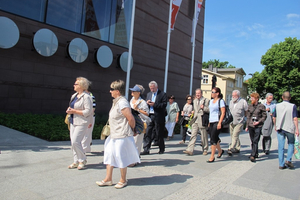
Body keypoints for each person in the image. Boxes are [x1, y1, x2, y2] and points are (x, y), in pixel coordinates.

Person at [96, 80, 140, 189]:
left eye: (111, 89)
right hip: (114, 134)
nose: (110, 91)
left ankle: (123, 179)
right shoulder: (116, 101)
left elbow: (131, 118)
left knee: (121, 156)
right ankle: (108, 179)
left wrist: (132, 130)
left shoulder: (122, 102)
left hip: (122, 135)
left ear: (117, 91)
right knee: (109, 155)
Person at [66, 77, 93, 170]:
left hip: (82, 122)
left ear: (81, 86)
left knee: (75, 141)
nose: (74, 85)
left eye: (76, 84)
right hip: (73, 121)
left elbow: (88, 111)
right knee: (73, 142)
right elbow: (72, 106)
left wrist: (74, 111)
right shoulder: (74, 95)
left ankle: (82, 159)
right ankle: (76, 161)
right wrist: (70, 110)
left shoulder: (87, 97)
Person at [273, 91, 299, 169]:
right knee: (291, 143)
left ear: (282, 97)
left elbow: (274, 117)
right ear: (290, 98)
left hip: (280, 128)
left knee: (281, 146)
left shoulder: (277, 106)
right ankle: (288, 159)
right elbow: (295, 118)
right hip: (289, 128)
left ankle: (281, 164)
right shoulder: (293, 106)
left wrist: (275, 125)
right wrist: (297, 129)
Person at [140, 81, 168, 155]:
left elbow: (164, 105)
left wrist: (155, 104)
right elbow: (146, 104)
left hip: (159, 116)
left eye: (153, 88)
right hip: (150, 116)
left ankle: (161, 148)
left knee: (159, 133)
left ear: (156, 87)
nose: (152, 90)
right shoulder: (149, 94)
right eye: (150, 88)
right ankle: (146, 149)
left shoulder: (162, 94)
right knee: (148, 132)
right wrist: (147, 103)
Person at [183, 89, 209, 156]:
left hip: (202, 119)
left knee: (203, 135)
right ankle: (190, 150)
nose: (197, 95)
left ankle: (205, 149)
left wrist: (204, 108)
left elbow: (209, 110)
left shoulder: (206, 100)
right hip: (195, 120)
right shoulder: (194, 101)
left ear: (201, 94)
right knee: (193, 135)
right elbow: (195, 109)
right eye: (196, 93)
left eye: (199, 93)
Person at [129, 84, 150, 162]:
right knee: (131, 140)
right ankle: (132, 157)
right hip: (132, 122)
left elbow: (147, 113)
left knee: (137, 141)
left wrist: (138, 109)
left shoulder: (143, 102)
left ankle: (135, 158)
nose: (132, 92)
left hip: (140, 122)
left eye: (134, 91)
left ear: (138, 93)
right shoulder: (131, 100)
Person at [245, 92, 266, 162]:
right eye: (251, 98)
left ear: (257, 99)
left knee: (255, 140)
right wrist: (247, 126)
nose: (251, 99)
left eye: (253, 98)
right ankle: (255, 153)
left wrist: (259, 122)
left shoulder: (261, 106)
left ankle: (253, 155)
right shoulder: (250, 106)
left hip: (258, 126)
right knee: (252, 140)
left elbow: (264, 116)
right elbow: (248, 116)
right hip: (251, 125)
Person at [207, 87, 225, 162]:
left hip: (217, 121)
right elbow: (210, 112)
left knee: (213, 139)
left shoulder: (220, 101)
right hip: (211, 121)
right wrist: (209, 122)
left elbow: (223, 112)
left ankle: (212, 156)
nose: (211, 93)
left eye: (213, 92)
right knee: (214, 137)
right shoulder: (211, 101)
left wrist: (220, 123)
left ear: (217, 93)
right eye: (211, 92)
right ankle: (220, 151)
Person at [227, 90, 248, 156]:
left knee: (235, 135)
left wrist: (244, 118)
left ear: (238, 96)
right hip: (231, 121)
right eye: (232, 95)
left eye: (234, 96)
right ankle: (237, 147)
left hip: (239, 121)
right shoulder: (231, 102)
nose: (233, 97)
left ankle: (231, 148)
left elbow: (246, 110)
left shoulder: (243, 102)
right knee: (232, 135)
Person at [81, 87, 96, 153]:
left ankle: (84, 149)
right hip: (86, 116)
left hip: (88, 117)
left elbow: (93, 109)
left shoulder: (90, 96)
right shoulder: (87, 96)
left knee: (86, 133)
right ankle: (87, 148)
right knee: (87, 133)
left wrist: (89, 119)